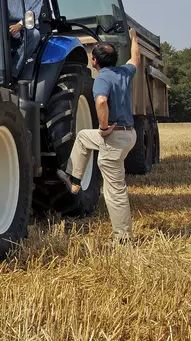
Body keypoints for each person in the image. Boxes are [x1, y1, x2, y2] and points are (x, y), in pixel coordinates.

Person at [57, 28, 140, 241]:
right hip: (129, 135)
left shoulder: (102, 78)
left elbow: (101, 101)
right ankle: (74, 180)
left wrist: (103, 128)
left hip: (114, 137)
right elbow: (136, 58)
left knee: (115, 191)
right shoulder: (124, 72)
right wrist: (133, 38)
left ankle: (123, 238)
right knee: (84, 137)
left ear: (94, 61)